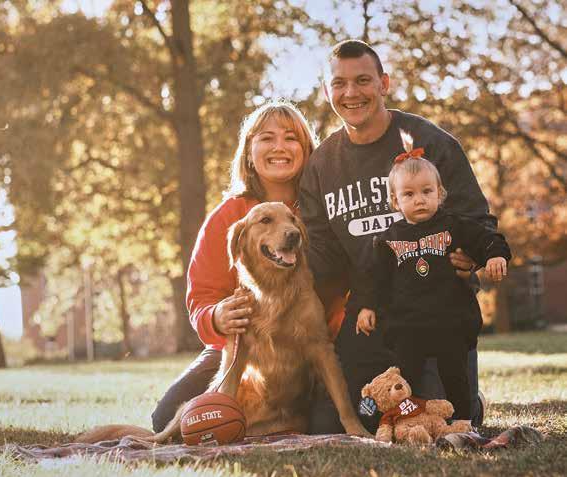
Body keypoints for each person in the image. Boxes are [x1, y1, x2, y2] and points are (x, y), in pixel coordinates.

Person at [299, 39, 496, 433]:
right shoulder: (321, 164)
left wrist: (470, 255)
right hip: (371, 314)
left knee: (441, 417)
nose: (351, 93)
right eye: (339, 83)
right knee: (332, 422)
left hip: (439, 310)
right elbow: (321, 253)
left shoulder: (431, 143)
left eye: (363, 80)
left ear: (384, 83)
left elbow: (477, 220)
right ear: (327, 90)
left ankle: (469, 399)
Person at [151, 100, 334, 431]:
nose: (279, 147)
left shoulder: (324, 209)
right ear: (249, 152)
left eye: (291, 138)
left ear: (307, 150)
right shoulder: (228, 217)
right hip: (243, 353)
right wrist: (216, 316)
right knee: (168, 418)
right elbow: (202, 296)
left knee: (328, 423)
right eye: (267, 138)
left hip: (312, 351)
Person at [355, 130, 511, 420]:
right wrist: (367, 306)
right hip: (408, 325)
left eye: (427, 192)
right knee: (406, 381)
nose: (420, 200)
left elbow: (486, 237)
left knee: (455, 375)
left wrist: (495, 255)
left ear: (440, 193)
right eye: (409, 194)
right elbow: (374, 276)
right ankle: (409, 421)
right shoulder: (388, 239)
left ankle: (463, 422)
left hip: (450, 320)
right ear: (395, 200)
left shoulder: (454, 225)